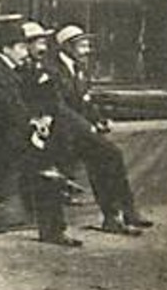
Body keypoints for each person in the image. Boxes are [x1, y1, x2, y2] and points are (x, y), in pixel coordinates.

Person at [0, 20, 79, 247]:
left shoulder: (14, 72)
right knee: (42, 162)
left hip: (14, 133)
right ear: (6, 49)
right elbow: (6, 109)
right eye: (21, 48)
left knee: (44, 158)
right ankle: (52, 222)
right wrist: (32, 123)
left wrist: (38, 120)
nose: (24, 53)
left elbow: (28, 103)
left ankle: (53, 223)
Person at [48, 24, 151, 234]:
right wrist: (88, 127)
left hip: (80, 131)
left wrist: (99, 119)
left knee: (110, 156)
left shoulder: (80, 69)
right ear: (66, 47)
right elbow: (59, 107)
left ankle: (122, 213)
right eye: (82, 45)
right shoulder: (52, 70)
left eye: (86, 45)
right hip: (62, 132)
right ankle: (117, 215)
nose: (87, 50)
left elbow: (85, 101)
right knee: (107, 155)